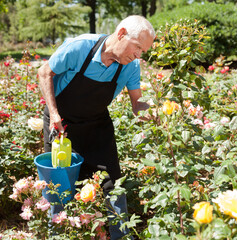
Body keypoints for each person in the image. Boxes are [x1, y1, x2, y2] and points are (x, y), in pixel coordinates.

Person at [38, 15, 155, 239]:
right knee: (59, 183)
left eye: (143, 51)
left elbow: (136, 103)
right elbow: (44, 73)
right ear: (121, 34)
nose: (139, 55)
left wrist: (155, 111)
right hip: (62, 123)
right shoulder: (80, 48)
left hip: (97, 125)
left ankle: (120, 235)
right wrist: (54, 114)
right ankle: (57, 233)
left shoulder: (130, 66)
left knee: (113, 182)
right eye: (138, 47)